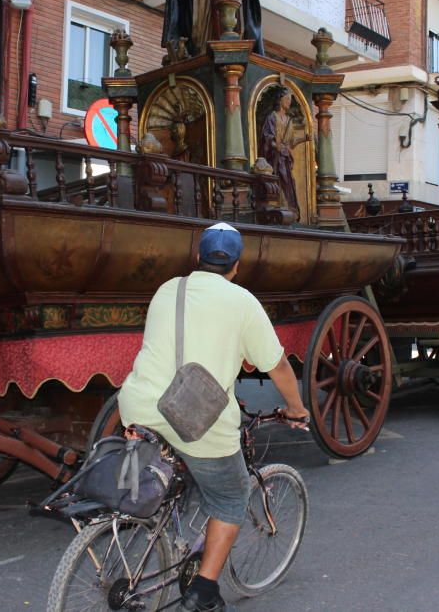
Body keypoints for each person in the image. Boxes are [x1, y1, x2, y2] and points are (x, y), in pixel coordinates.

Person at [118, 222, 309, 612]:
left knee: (181, 471)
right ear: (237, 265)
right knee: (229, 495)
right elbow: (278, 368)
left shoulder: (168, 289)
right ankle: (204, 591)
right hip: (195, 420)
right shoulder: (242, 302)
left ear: (197, 258)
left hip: (138, 409)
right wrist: (296, 408)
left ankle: (167, 539)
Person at [258, 88, 308, 219]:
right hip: (273, 157)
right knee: (280, 179)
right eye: (287, 99)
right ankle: (279, 205)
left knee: (288, 181)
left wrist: (304, 138)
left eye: (290, 100)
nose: (289, 102)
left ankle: (289, 207)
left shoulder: (289, 121)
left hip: (285, 157)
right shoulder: (272, 117)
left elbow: (291, 142)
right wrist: (275, 146)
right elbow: (267, 136)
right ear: (280, 101)